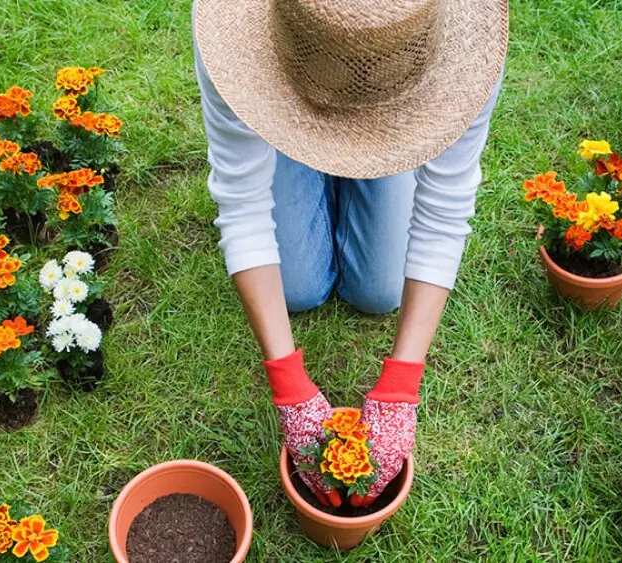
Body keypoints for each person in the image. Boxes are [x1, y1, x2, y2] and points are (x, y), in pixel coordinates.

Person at [192, 0, 508, 507]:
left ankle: (365, 153)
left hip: (397, 95)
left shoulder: (470, 56)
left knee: (380, 290)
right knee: (297, 289)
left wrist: (402, 387)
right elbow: (242, 204)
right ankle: (307, 154)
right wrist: (289, 385)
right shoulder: (230, 43)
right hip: (288, 88)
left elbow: (445, 210)